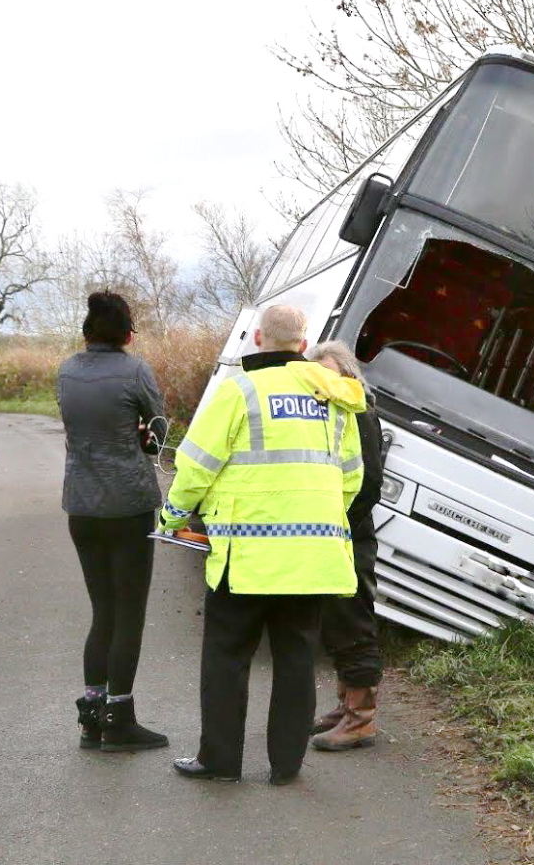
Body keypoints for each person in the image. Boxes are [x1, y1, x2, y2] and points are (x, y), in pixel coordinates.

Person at [159, 305, 366, 785]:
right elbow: (352, 478)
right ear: (303, 341)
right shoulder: (334, 396)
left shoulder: (240, 390)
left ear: (255, 337)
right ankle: (286, 765)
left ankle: (220, 761)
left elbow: (196, 467)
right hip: (312, 557)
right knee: (295, 659)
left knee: (227, 659)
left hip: (246, 558)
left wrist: (173, 515)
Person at [57, 291, 169, 752]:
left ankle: (91, 719)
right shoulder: (136, 370)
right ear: (127, 333)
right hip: (129, 506)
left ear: (87, 332)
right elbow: (159, 430)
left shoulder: (66, 370)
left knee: (103, 612)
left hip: (81, 507)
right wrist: (144, 438)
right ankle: (119, 719)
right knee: (129, 615)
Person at [305, 340, 384, 751]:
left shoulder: (361, 414)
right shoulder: (331, 414)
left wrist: (338, 524)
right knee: (335, 621)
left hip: (350, 535)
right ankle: (345, 706)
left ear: (349, 374)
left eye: (332, 373)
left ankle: (362, 719)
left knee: (353, 621)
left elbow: (370, 485)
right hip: (333, 533)